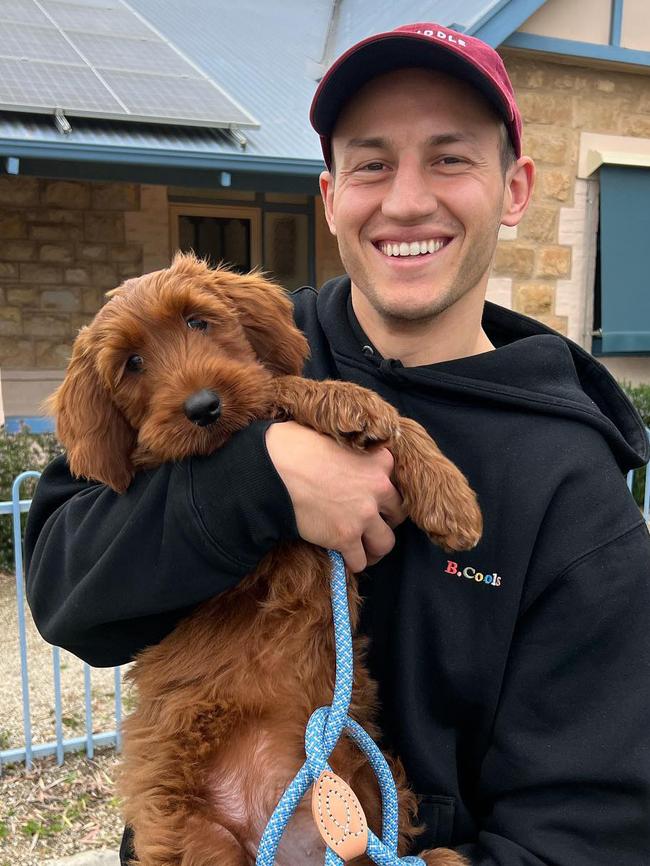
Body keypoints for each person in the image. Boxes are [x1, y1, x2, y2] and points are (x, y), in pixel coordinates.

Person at [25, 22, 650, 866]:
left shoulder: (575, 486)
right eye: (371, 162)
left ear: (514, 188)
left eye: (450, 157)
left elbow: (588, 826)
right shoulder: (256, 342)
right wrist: (257, 482)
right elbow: (65, 590)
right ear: (330, 194)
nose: (404, 201)